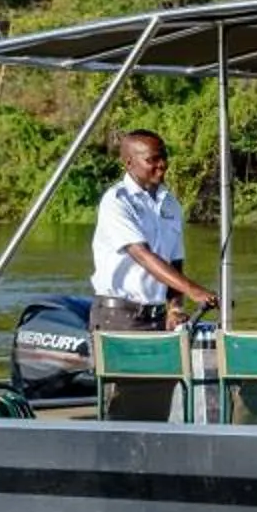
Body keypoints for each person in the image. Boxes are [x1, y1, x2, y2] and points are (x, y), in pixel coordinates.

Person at [90, 130, 217, 422]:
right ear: (129, 163)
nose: (162, 165)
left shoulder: (169, 203)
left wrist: (175, 306)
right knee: (123, 407)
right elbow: (143, 255)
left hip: (156, 318)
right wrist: (196, 290)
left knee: (157, 401)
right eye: (153, 160)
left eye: (164, 158)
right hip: (120, 318)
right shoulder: (116, 201)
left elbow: (175, 259)